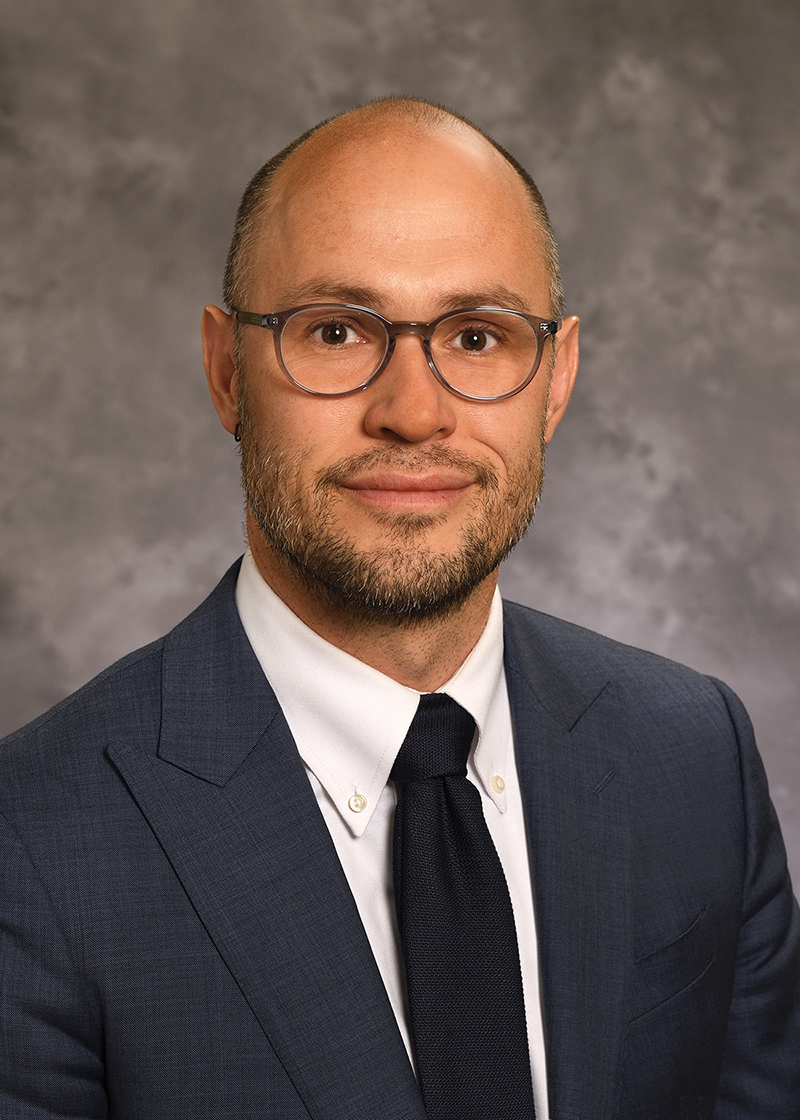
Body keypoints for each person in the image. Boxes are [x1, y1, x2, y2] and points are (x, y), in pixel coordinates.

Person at [0, 96, 798, 1120]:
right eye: (334, 330)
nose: (413, 411)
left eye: (476, 335)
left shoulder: (693, 756)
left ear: (553, 380)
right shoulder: (31, 844)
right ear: (224, 370)